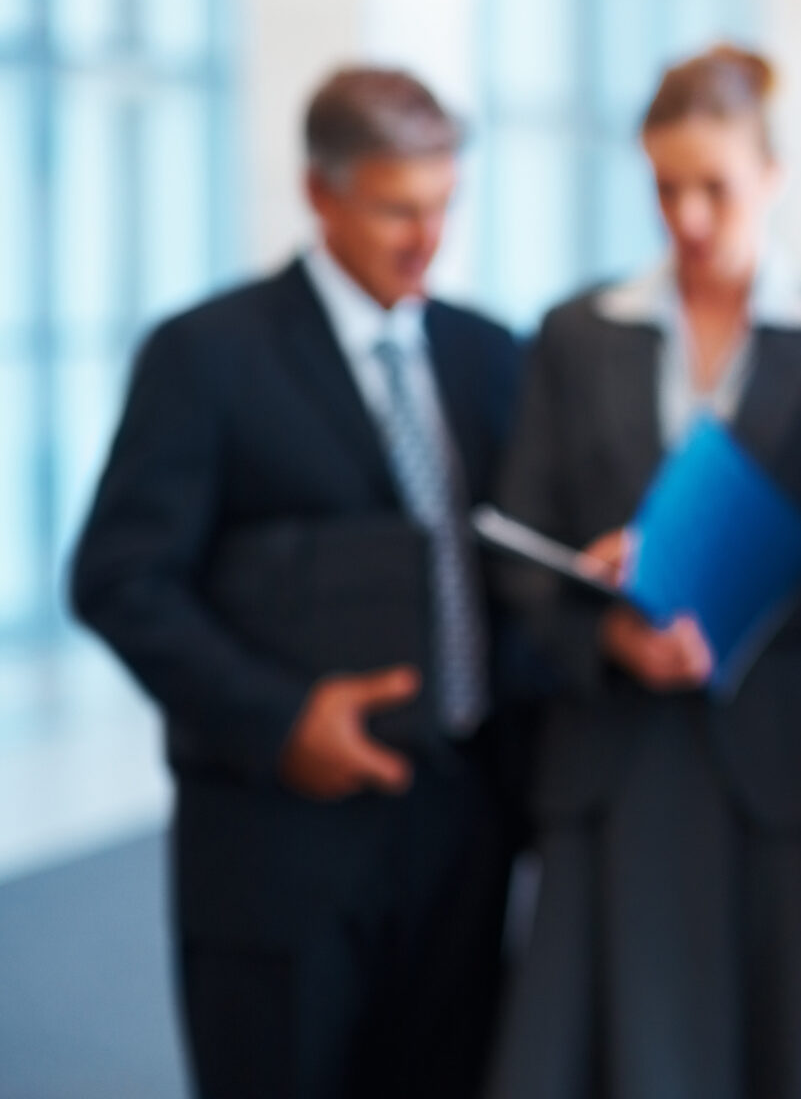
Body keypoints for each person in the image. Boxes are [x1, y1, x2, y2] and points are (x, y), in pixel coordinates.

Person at [70, 67, 529, 1099]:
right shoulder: (208, 354)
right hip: (280, 841)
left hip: (459, 826)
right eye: (396, 209)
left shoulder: (486, 352)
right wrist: (281, 721)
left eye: (445, 205)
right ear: (319, 194)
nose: (428, 238)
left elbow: (509, 558)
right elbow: (120, 576)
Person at [487, 45, 801, 1099]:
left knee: (786, 1047)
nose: (685, 215)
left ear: (770, 176)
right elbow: (521, 534)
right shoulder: (579, 334)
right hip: (617, 748)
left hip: (774, 749)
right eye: (664, 186)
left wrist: (735, 604)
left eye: (711, 186)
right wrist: (608, 628)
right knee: (607, 1048)